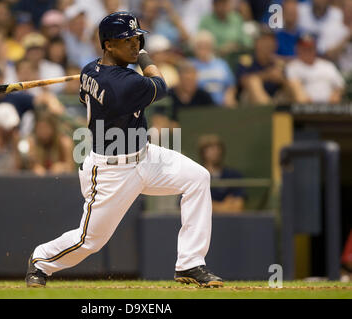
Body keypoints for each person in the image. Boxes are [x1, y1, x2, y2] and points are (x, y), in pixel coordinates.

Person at [25, 11, 223, 288]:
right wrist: (144, 58)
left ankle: (190, 263)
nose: (135, 45)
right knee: (89, 241)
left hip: (145, 155)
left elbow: (87, 95)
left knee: (198, 178)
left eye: (137, 38)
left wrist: (110, 68)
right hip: (111, 170)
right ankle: (40, 260)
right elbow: (161, 85)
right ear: (108, 44)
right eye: (127, 40)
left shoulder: (89, 70)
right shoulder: (124, 84)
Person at [286, 35, 345, 104]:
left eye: (310, 49)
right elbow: (296, 89)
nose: (307, 52)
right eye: (304, 49)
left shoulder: (327, 65)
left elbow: (340, 85)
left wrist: (335, 97)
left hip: (330, 106)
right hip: (306, 107)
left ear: (315, 49)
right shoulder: (293, 67)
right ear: (297, 49)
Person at [236, 29, 286, 105]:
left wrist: (281, 79)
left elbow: (286, 82)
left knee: (291, 83)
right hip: (250, 99)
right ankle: (268, 111)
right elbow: (243, 81)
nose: (267, 44)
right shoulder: (246, 60)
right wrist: (267, 75)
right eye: (264, 40)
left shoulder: (278, 62)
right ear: (256, 43)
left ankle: (304, 113)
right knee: (253, 81)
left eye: (271, 41)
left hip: (276, 97)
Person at [198, 134, 245, 214]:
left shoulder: (233, 175)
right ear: (203, 152)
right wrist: (225, 205)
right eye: (211, 148)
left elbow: (238, 206)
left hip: (229, 222)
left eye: (218, 148)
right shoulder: (196, 176)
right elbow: (192, 206)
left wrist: (210, 205)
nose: (216, 152)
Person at [190, 30, 237, 107]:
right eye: (200, 46)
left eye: (206, 46)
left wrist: (229, 97)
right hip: (199, 105)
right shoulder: (190, 64)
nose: (203, 49)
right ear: (194, 48)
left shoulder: (221, 64)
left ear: (212, 47)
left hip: (222, 104)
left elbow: (231, 85)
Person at [27, 111, 75, 175]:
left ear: (53, 128)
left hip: (60, 181)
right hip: (38, 182)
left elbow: (71, 168)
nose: (43, 132)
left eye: (46, 128)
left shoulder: (65, 143)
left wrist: (63, 167)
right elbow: (26, 167)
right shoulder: (32, 143)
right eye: (40, 128)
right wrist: (34, 168)